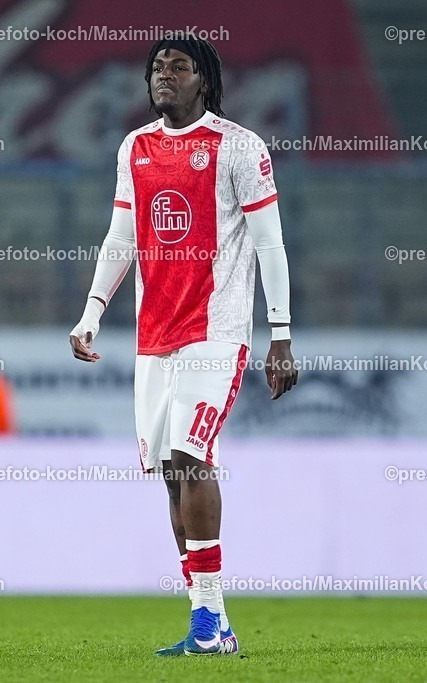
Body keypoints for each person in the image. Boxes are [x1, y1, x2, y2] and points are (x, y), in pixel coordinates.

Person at [69, 33, 297, 656]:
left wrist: (280, 335)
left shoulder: (239, 147)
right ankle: (211, 623)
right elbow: (121, 237)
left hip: (216, 330)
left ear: (205, 81)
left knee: (193, 458)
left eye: (179, 66)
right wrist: (92, 312)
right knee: (172, 474)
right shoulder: (135, 147)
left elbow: (270, 244)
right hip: (154, 335)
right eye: (156, 67)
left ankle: (208, 624)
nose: (164, 75)